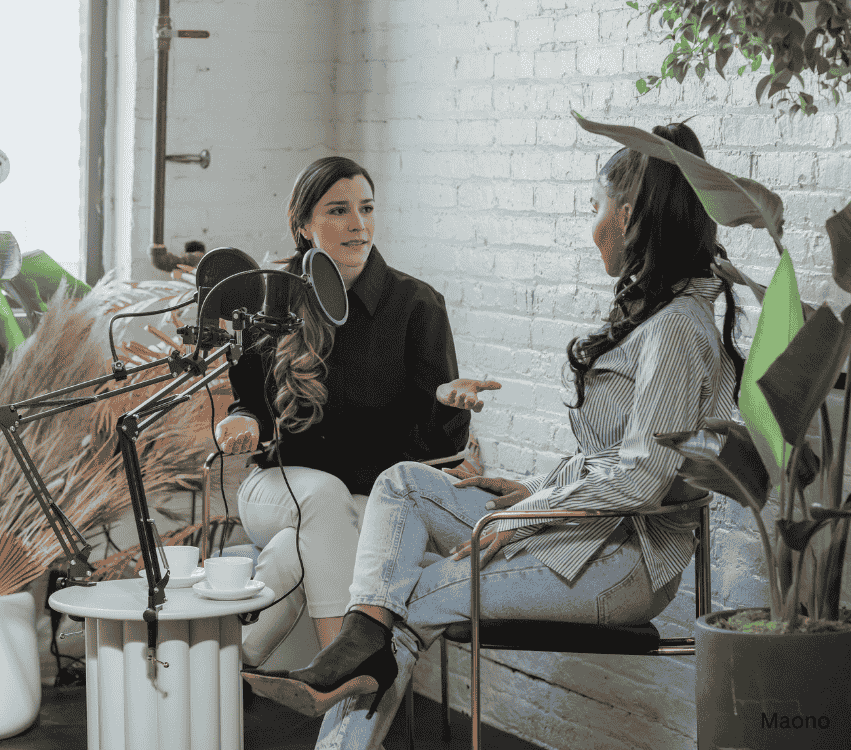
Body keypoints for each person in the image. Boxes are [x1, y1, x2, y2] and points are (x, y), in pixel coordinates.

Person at [242, 122, 747, 749]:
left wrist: (525, 514)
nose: (590, 225)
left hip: (616, 564)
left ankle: (343, 669)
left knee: (404, 601)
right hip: (574, 533)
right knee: (402, 486)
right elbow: (613, 456)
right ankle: (352, 653)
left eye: (594, 207)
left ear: (631, 214)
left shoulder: (673, 327)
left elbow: (643, 477)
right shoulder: (659, 314)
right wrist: (532, 488)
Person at [213, 156, 497, 668]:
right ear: (303, 224)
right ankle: (342, 672)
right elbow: (250, 406)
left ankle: (233, 655)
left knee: (314, 538)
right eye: (339, 210)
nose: (358, 224)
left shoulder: (417, 306)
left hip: (369, 503)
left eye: (366, 208)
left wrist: (447, 403)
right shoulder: (271, 301)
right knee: (326, 499)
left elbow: (439, 456)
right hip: (277, 487)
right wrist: (243, 419)